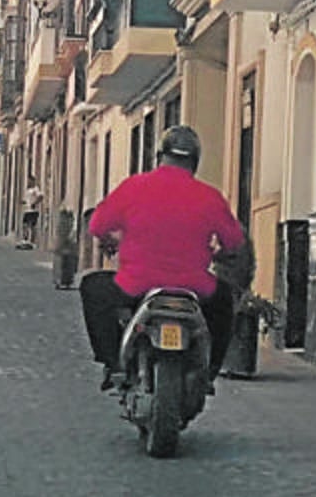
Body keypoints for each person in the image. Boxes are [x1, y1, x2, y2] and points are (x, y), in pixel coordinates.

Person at [79, 125, 246, 391]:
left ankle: (113, 362)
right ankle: (209, 372)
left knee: (92, 287)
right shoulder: (210, 197)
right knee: (224, 302)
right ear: (194, 161)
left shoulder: (134, 186)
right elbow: (235, 241)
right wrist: (221, 253)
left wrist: (113, 242)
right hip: (196, 287)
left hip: (135, 284)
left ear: (159, 156)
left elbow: (97, 225)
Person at [20, 175, 43, 246]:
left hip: (33, 210)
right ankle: (25, 239)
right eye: (28, 181)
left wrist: (35, 203)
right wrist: (23, 202)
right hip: (27, 210)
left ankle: (32, 241)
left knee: (32, 226)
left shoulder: (36, 189)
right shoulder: (27, 189)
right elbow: (27, 199)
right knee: (25, 225)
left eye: (30, 181)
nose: (29, 182)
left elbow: (41, 197)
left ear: (33, 181)